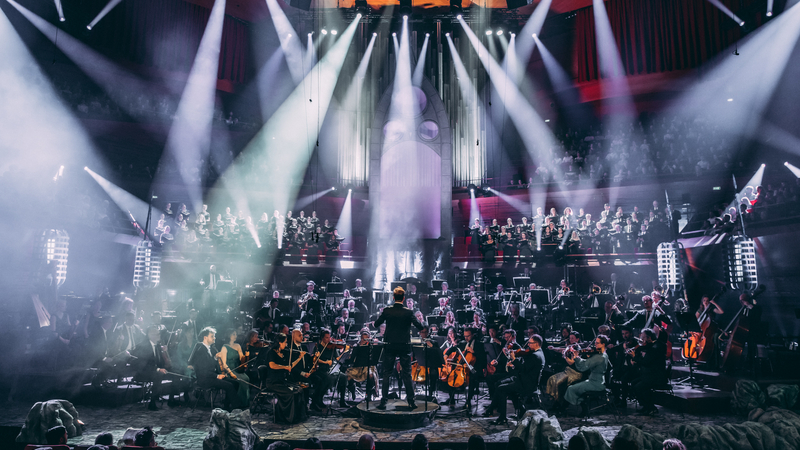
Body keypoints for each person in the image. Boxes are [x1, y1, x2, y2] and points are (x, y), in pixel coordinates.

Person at [374, 287, 424, 410]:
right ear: (403, 299)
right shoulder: (408, 312)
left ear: (393, 297)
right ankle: (411, 401)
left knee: (387, 373)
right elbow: (420, 326)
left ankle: (383, 401)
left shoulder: (387, 310)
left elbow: (376, 324)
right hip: (404, 345)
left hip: (390, 345)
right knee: (407, 374)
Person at [486, 335, 545, 425]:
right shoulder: (538, 353)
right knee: (502, 386)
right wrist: (513, 365)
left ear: (536, 344)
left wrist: (514, 359)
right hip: (525, 381)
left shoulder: (535, 356)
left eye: (530, 343)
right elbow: (525, 368)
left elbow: (523, 369)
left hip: (526, 384)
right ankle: (521, 411)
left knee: (501, 389)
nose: (528, 345)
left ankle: (502, 417)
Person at [187, 327, 240, 411]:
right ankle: (237, 409)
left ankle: (226, 406)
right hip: (204, 379)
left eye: (214, 336)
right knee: (229, 386)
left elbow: (209, 364)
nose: (214, 338)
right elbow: (203, 370)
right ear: (205, 337)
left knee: (235, 383)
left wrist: (215, 358)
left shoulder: (210, 348)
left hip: (211, 376)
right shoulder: (200, 350)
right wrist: (217, 376)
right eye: (212, 336)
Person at [131, 325, 181, 410]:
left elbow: (160, 362)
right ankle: (152, 402)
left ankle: (171, 399)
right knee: (158, 375)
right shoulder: (144, 346)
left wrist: (165, 353)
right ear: (150, 335)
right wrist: (158, 369)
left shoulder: (158, 345)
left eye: (159, 334)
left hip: (155, 370)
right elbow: (143, 364)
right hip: (144, 372)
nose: (159, 336)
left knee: (176, 372)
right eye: (157, 334)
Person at [262, 333, 308, 423]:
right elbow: (272, 365)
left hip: (282, 381)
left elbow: (290, 366)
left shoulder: (283, 353)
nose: (286, 344)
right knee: (290, 393)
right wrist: (284, 367)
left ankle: (298, 416)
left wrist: (299, 358)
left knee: (299, 390)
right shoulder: (271, 353)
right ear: (280, 342)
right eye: (285, 342)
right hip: (273, 382)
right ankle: (286, 417)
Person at [562, 334, 610, 416]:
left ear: (603, 344)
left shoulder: (599, 357)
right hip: (599, 381)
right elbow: (589, 362)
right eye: (595, 342)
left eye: (597, 343)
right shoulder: (604, 355)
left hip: (595, 383)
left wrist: (576, 357)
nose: (595, 344)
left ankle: (564, 409)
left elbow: (583, 366)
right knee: (575, 386)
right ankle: (583, 409)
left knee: (571, 388)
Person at [629, 327, 667, 416]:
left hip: (657, 376)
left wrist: (634, 357)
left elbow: (646, 362)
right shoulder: (652, 346)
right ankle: (645, 406)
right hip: (649, 374)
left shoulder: (656, 347)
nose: (641, 340)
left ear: (649, 338)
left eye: (643, 337)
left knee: (639, 387)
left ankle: (651, 407)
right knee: (633, 383)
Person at [217, 329, 252, 409]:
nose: (235, 336)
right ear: (229, 335)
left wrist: (246, 356)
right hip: (229, 370)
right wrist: (231, 373)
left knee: (246, 378)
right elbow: (224, 364)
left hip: (237, 368)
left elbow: (241, 358)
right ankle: (237, 403)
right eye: (233, 334)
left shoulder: (238, 345)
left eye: (236, 334)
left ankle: (244, 402)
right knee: (240, 380)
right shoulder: (224, 347)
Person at [307, 329, 336, 411]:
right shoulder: (318, 347)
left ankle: (319, 399)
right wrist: (326, 362)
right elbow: (315, 359)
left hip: (326, 369)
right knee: (326, 379)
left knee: (329, 379)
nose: (329, 339)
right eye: (327, 337)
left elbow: (335, 358)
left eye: (329, 337)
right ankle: (316, 400)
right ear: (322, 338)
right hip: (318, 369)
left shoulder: (330, 347)